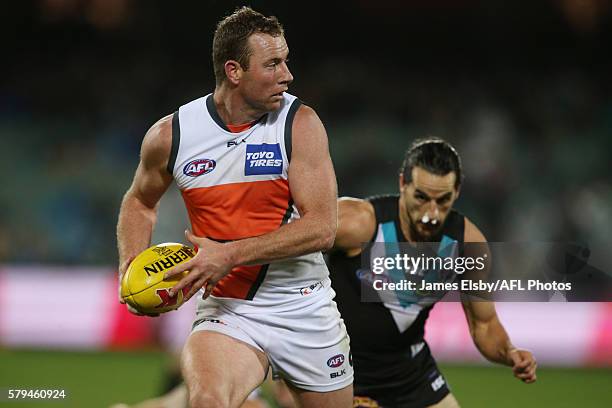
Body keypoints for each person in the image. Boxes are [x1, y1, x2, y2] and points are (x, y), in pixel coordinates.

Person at [116, 6, 353, 408]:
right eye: (273, 63)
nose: (287, 75)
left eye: (286, 61)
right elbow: (139, 201)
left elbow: (322, 228)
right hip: (230, 308)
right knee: (208, 401)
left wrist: (229, 254)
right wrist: (132, 267)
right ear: (234, 71)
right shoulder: (171, 135)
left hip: (304, 304)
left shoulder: (300, 125)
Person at [328, 138, 537, 408]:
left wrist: (510, 352)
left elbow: (484, 325)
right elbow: (289, 248)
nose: (432, 213)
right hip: (336, 369)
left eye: (443, 200)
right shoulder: (358, 224)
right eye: (422, 198)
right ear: (403, 183)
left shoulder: (467, 245)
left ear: (457, 191)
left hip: (408, 373)